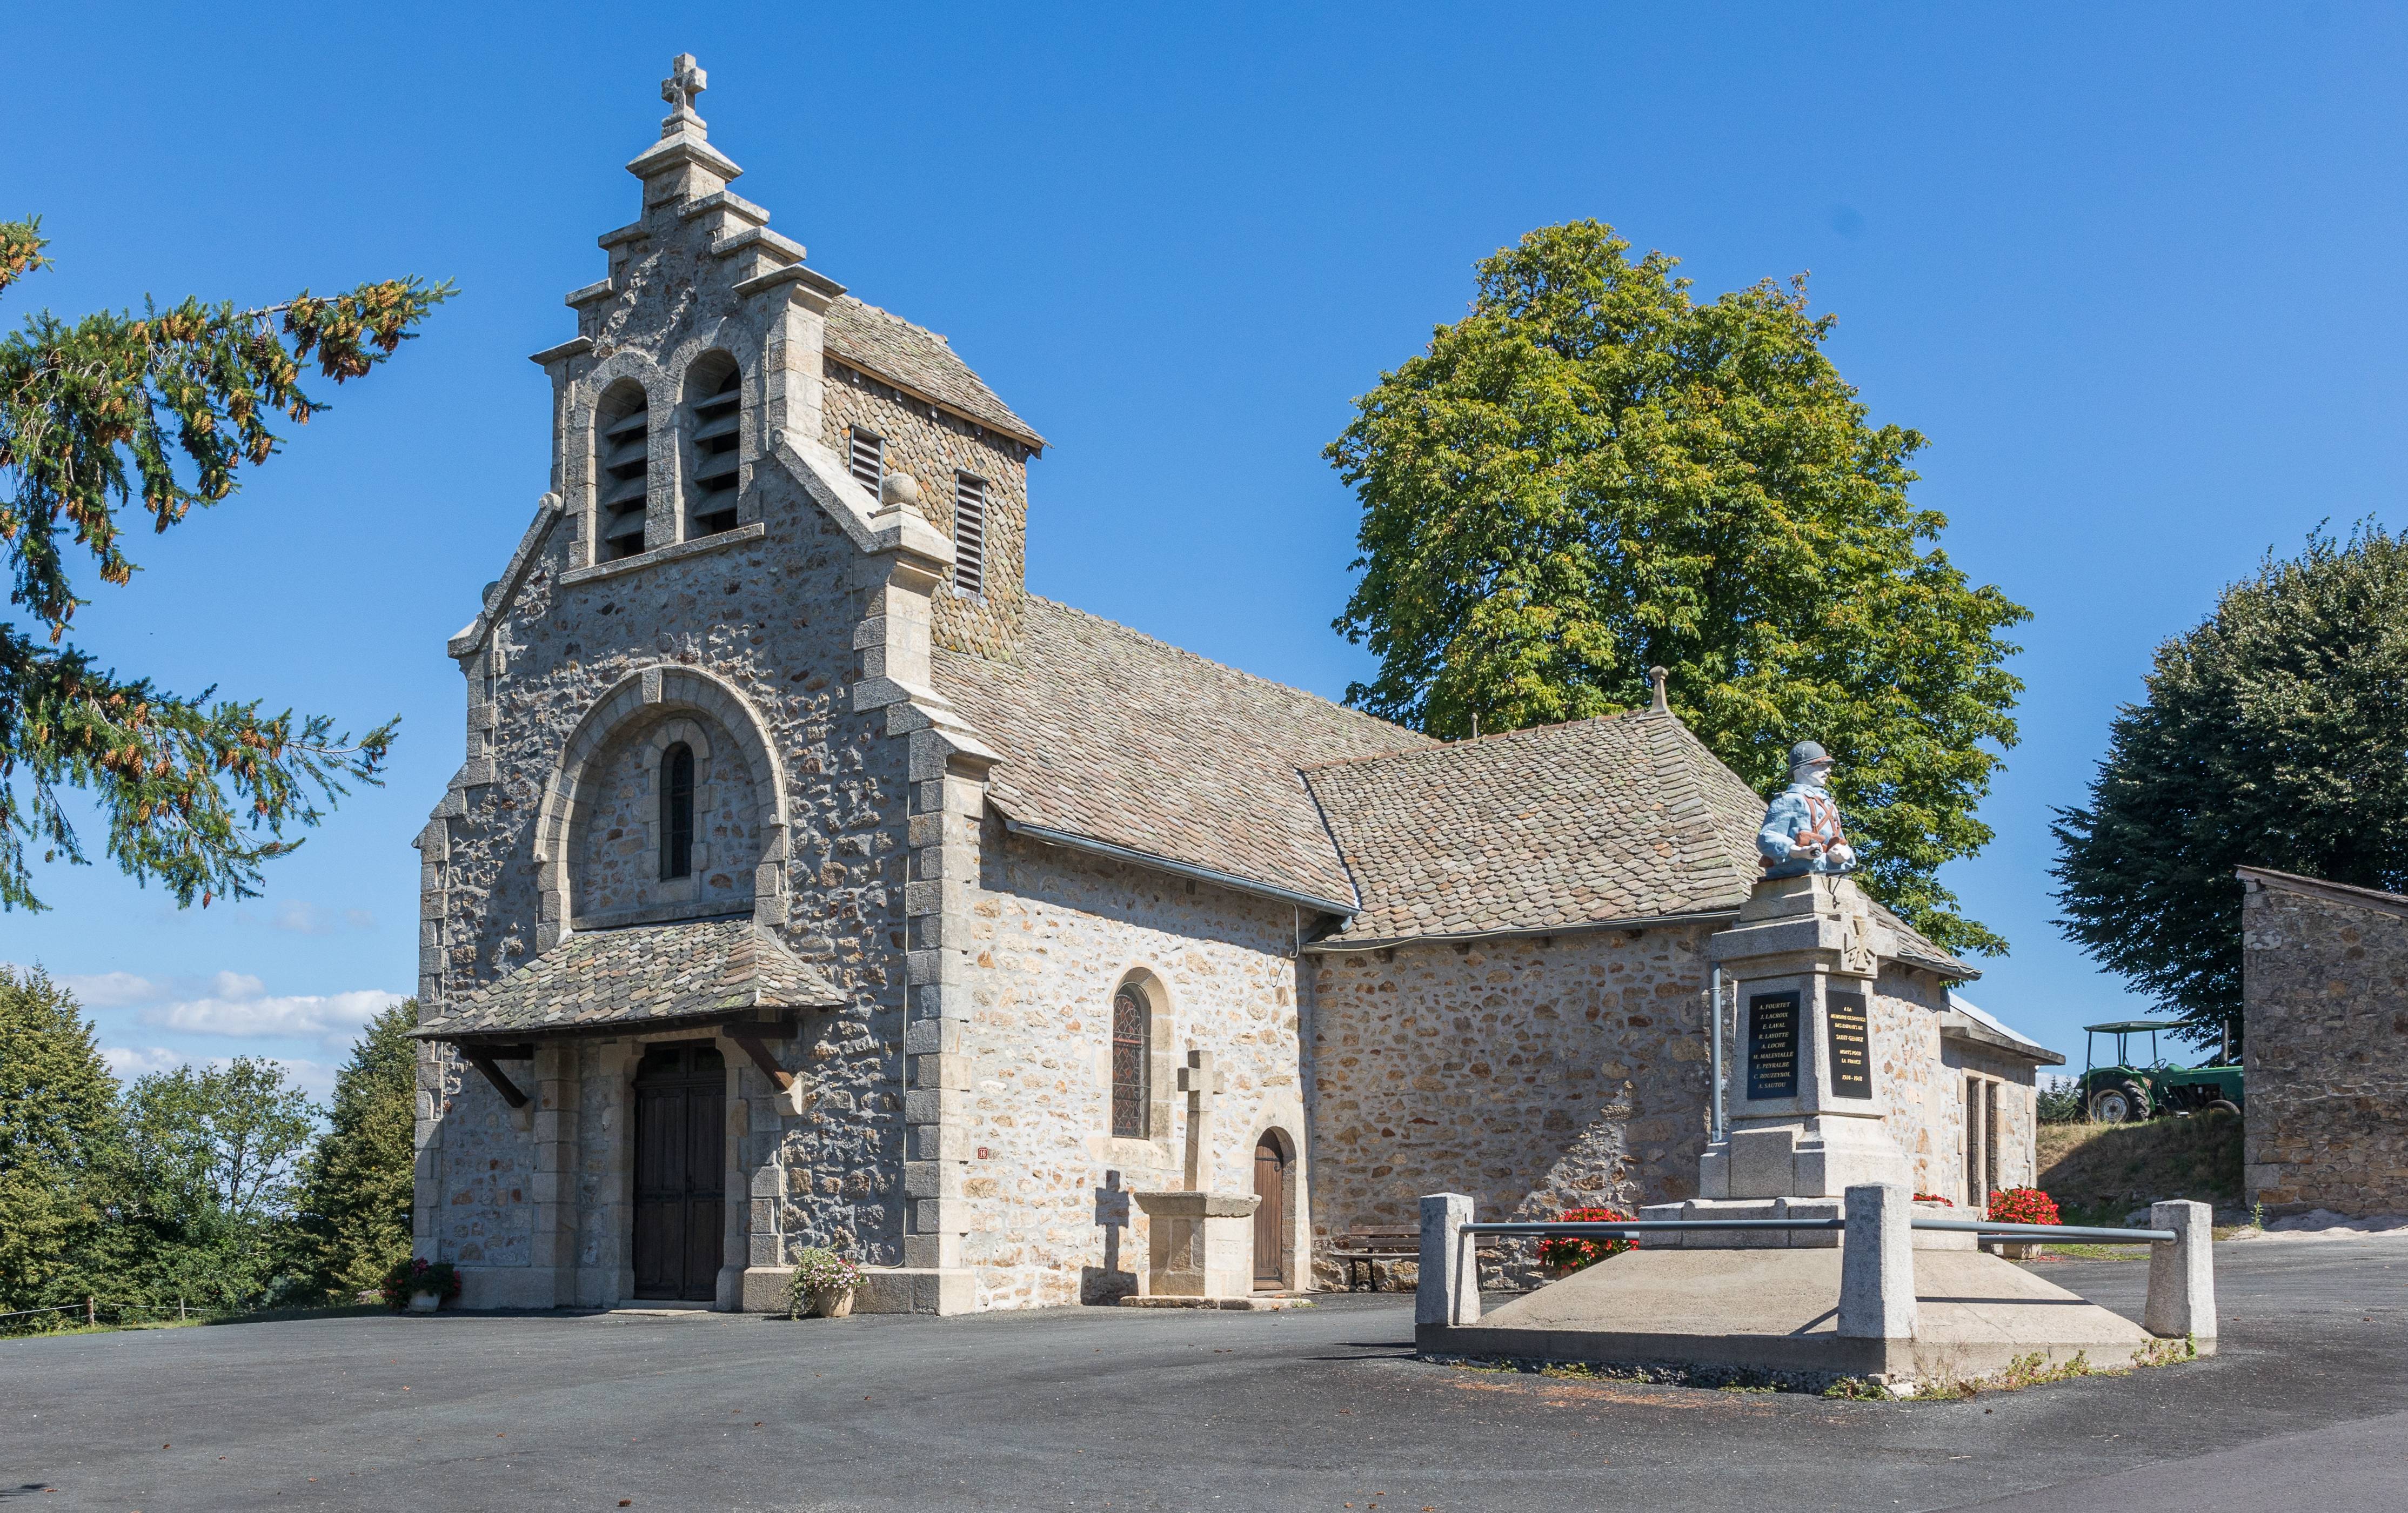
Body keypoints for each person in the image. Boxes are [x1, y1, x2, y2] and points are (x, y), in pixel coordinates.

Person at [1757, 741, 1858, 879]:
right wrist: (1798, 851)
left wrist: (1844, 853)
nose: (1828, 770)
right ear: (1804, 770)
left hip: (1830, 872)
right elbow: (1766, 838)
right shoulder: (1789, 800)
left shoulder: (1829, 805)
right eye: (1822, 766)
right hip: (1798, 873)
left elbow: (1840, 839)